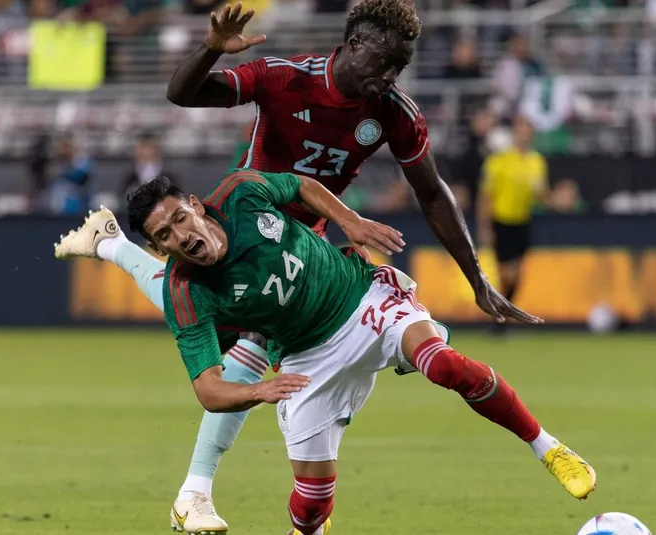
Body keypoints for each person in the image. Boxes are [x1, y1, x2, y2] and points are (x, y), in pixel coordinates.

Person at [55, 1, 533, 532]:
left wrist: (476, 276)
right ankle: (194, 493)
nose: (389, 77)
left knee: (233, 338)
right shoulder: (285, 78)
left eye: (399, 67)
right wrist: (211, 48)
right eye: (382, 62)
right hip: (245, 223)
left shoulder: (394, 111)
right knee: (221, 331)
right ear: (353, 45)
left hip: (305, 240)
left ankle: (113, 250)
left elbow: (433, 193)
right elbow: (183, 93)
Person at [73, 171, 595, 535]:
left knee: (443, 364)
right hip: (306, 359)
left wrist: (350, 221)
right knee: (311, 507)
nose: (181, 236)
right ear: (160, 248)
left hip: (362, 298)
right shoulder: (186, 290)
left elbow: (300, 186)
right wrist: (259, 390)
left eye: (179, 219)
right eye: (165, 236)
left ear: (195, 204)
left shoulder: (240, 194)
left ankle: (547, 447)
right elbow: (208, 389)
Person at [477, 115, 551, 335]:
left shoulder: (536, 162)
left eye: (528, 131)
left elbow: (540, 193)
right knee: (506, 275)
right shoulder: (499, 160)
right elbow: (486, 196)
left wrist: (553, 200)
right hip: (502, 221)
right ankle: (500, 317)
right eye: (521, 130)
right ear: (514, 133)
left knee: (516, 275)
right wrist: (485, 227)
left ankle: (501, 320)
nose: (524, 135)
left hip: (523, 221)